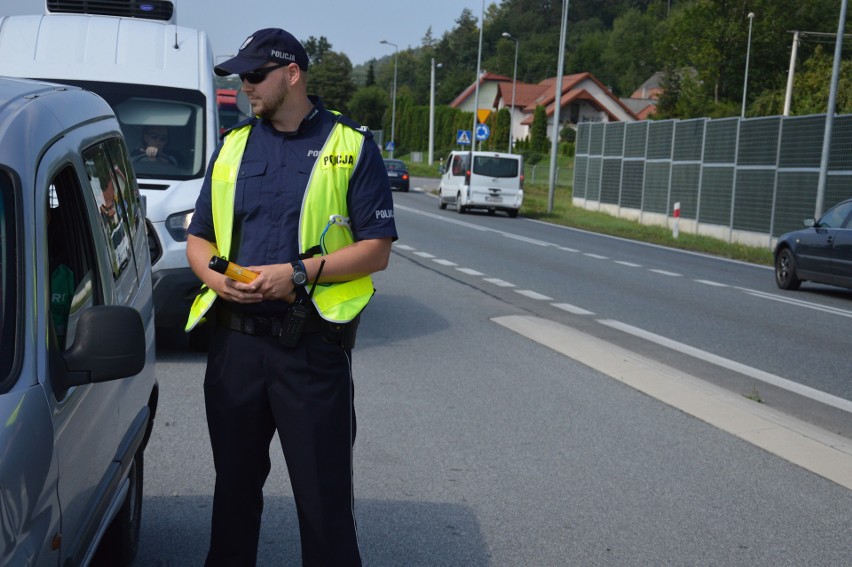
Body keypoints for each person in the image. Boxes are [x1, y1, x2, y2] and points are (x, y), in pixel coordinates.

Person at [184, 28, 397, 567]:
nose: (244, 88)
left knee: (323, 507)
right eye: (240, 78)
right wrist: (216, 280)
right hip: (235, 350)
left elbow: (376, 250)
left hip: (311, 352)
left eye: (254, 76)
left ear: (292, 74)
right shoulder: (231, 148)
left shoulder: (350, 147)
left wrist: (298, 274)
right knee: (232, 497)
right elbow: (198, 237)